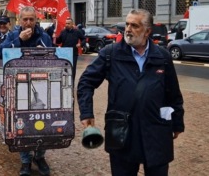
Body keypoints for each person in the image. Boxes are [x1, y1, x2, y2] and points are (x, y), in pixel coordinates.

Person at [77, 9, 185, 176]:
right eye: (127, 24)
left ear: (147, 31)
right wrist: (86, 112)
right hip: (122, 132)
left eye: (135, 25)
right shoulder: (110, 54)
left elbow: (173, 94)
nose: (128, 29)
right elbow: (86, 82)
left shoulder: (162, 57)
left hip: (156, 131)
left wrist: (177, 122)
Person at [0, 6, 52, 176]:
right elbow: (0, 52)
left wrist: (46, 53)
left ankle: (40, 156)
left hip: (41, 85)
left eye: (31, 19)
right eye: (25, 19)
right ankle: (25, 161)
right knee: (21, 123)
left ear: (36, 20)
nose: (28, 22)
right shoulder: (13, 35)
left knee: (43, 122)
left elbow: (55, 55)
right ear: (20, 20)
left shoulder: (44, 36)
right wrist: (18, 40)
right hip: (18, 86)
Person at [55, 17, 86, 83]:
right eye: (66, 23)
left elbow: (84, 39)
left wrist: (80, 44)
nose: (67, 25)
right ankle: (64, 83)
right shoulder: (63, 32)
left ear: (72, 24)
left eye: (68, 23)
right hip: (64, 53)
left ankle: (71, 83)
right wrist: (55, 37)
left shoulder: (77, 31)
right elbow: (58, 41)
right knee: (64, 69)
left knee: (72, 69)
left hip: (73, 53)